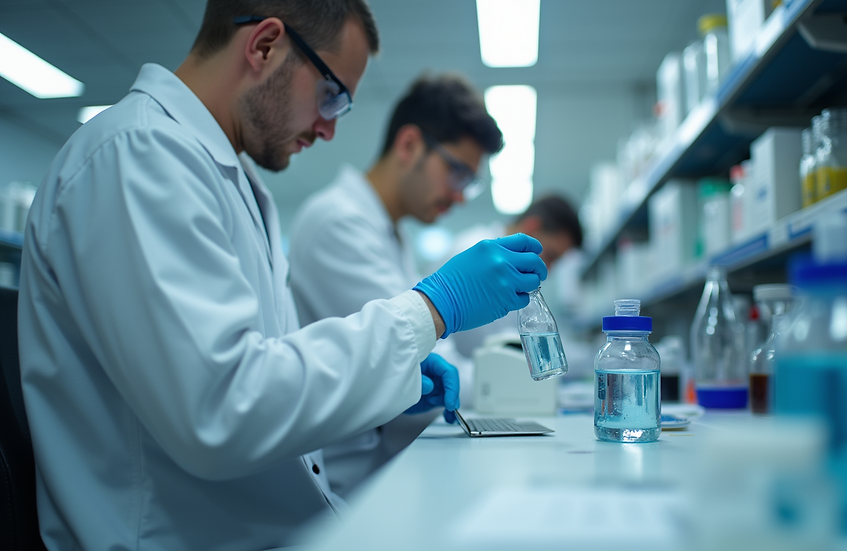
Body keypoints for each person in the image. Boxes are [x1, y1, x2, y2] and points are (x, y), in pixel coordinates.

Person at [16, 1, 547, 550]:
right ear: (264, 46)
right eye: (331, 95)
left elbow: (269, 370)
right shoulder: (136, 155)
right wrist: (433, 309)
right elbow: (222, 409)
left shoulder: (225, 177)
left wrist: (394, 382)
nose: (329, 128)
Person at [287, 72, 503, 497]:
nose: (460, 195)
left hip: (380, 468)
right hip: (345, 486)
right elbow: (412, 352)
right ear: (409, 145)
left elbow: (421, 363)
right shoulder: (339, 222)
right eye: (457, 172)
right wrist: (532, 382)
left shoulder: (389, 231)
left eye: (469, 183)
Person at [449, 194, 584, 358]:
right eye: (550, 256)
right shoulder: (473, 253)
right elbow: (503, 348)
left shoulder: (515, 273)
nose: (548, 269)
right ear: (532, 227)